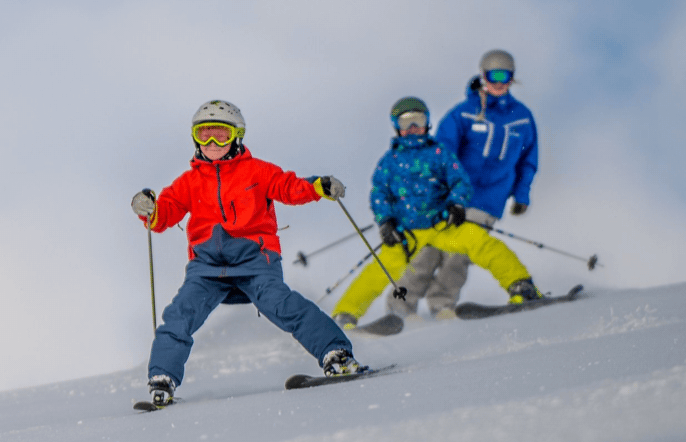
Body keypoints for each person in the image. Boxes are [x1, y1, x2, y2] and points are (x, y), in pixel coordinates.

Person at [131, 99, 362, 408]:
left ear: (237, 136)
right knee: (180, 313)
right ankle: (162, 379)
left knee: (282, 304)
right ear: (195, 138)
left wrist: (318, 186)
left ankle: (336, 354)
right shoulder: (189, 182)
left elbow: (287, 187)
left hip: (256, 260)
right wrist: (149, 210)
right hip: (208, 267)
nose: (212, 143)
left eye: (221, 136)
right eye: (204, 135)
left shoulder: (256, 171)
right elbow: (164, 216)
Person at [329, 97, 541, 329]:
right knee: (380, 269)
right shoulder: (390, 161)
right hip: (406, 233)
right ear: (396, 127)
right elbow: (379, 194)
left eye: (418, 121)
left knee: (481, 243)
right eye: (405, 123)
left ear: (428, 123)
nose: (412, 129)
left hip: (441, 226)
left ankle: (521, 286)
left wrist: (456, 205)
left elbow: (460, 181)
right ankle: (345, 315)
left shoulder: (440, 153)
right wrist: (386, 221)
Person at [387, 49, 539, 319]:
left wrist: (521, 195)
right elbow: (441, 154)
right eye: (494, 75)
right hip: (453, 195)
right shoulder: (464, 113)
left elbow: (528, 160)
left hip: (489, 199)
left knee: (459, 256)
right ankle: (399, 309)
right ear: (483, 75)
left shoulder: (522, 118)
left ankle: (442, 305)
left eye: (506, 76)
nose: (499, 82)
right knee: (429, 252)